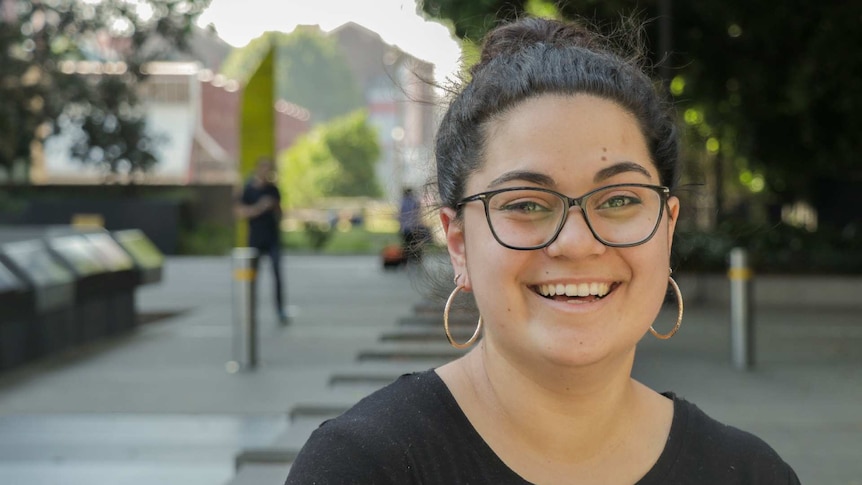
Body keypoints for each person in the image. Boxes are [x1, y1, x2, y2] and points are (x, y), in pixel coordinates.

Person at [285, 17, 799, 484]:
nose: (577, 243)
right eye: (527, 204)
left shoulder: (751, 474)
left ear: (667, 228)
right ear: (458, 242)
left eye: (619, 199)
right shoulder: (365, 467)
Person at [235, 157, 288, 324]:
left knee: (277, 274)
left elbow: (281, 214)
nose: (267, 173)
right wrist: (260, 207)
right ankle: (249, 311)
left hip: (272, 239)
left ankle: (280, 310)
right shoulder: (248, 189)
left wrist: (275, 207)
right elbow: (240, 212)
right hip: (255, 240)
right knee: (252, 277)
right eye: (264, 169)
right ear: (258, 169)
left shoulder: (273, 190)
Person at [397, 187, 428, 262]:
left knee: (406, 245)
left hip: (405, 228)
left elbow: (400, 215)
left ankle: (406, 260)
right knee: (415, 244)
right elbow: (419, 214)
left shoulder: (402, 202)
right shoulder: (415, 201)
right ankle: (417, 259)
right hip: (415, 227)